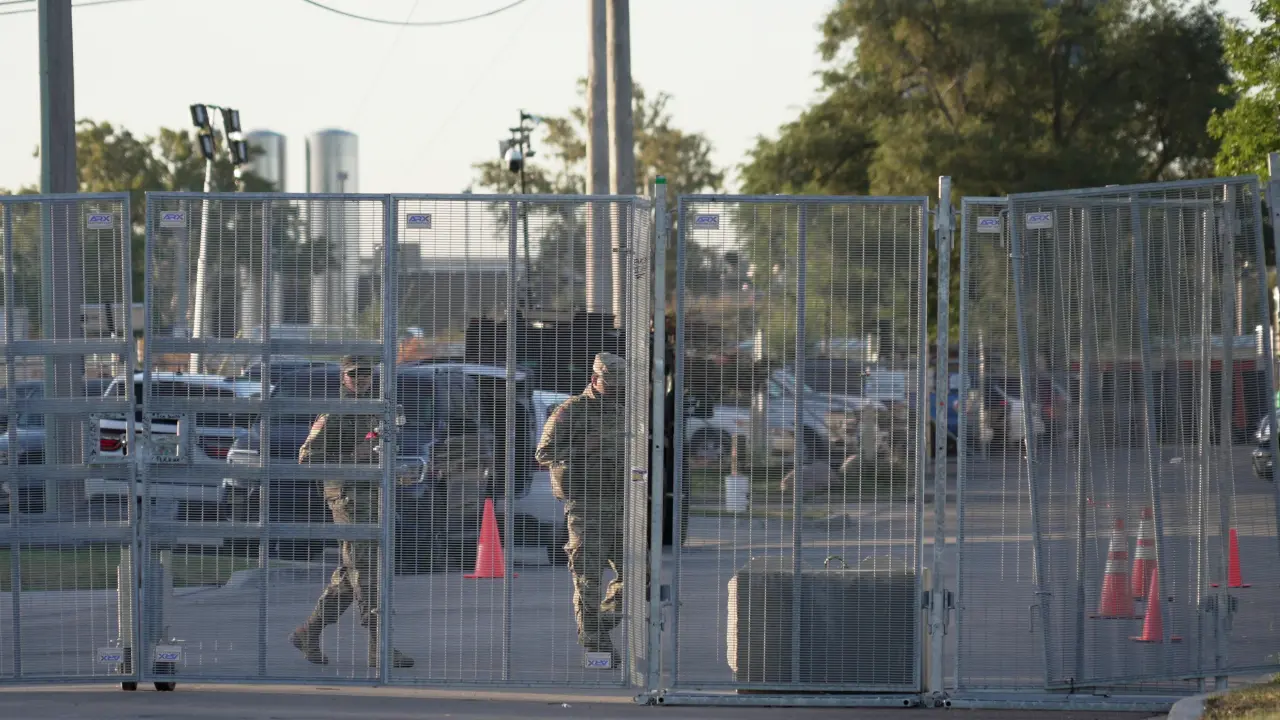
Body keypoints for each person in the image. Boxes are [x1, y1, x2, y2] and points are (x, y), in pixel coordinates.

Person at [289, 354, 415, 669]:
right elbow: (307, 457)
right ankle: (379, 647)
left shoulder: (377, 409)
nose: (361, 380)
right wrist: (350, 454)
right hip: (347, 497)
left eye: (366, 374)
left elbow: (383, 450)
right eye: (354, 374)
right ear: (343, 377)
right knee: (368, 570)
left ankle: (309, 631)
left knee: (351, 573)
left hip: (374, 496)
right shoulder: (335, 412)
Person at [535, 351, 627, 665]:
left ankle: (597, 625)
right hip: (587, 507)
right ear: (594, 379)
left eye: (619, 384)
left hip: (623, 505)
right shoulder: (571, 410)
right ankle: (597, 646)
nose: (614, 389)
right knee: (588, 579)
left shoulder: (626, 411)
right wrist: (581, 449)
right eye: (609, 383)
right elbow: (544, 453)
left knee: (639, 577)